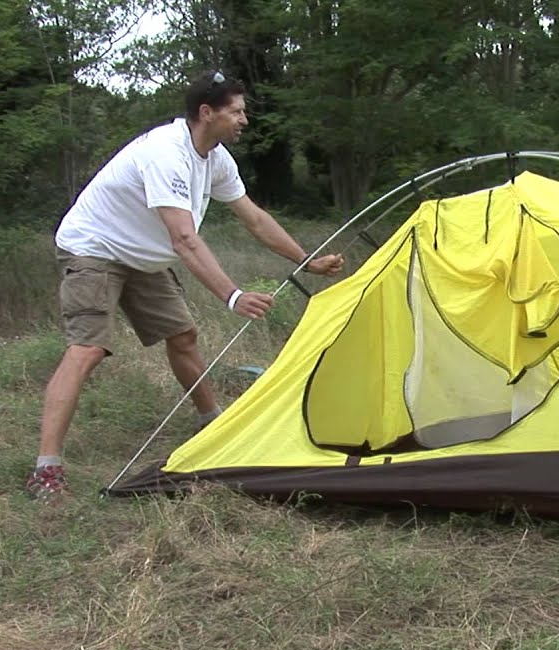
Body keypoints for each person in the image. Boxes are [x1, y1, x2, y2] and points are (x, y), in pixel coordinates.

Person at [26, 70, 344, 501]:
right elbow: (184, 239)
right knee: (88, 349)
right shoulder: (166, 153)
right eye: (236, 112)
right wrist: (232, 296)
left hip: (144, 257)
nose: (243, 120)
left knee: (184, 336)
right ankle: (47, 469)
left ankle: (212, 422)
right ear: (206, 112)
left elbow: (253, 217)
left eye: (243, 112)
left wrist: (306, 261)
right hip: (95, 249)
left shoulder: (215, 159)